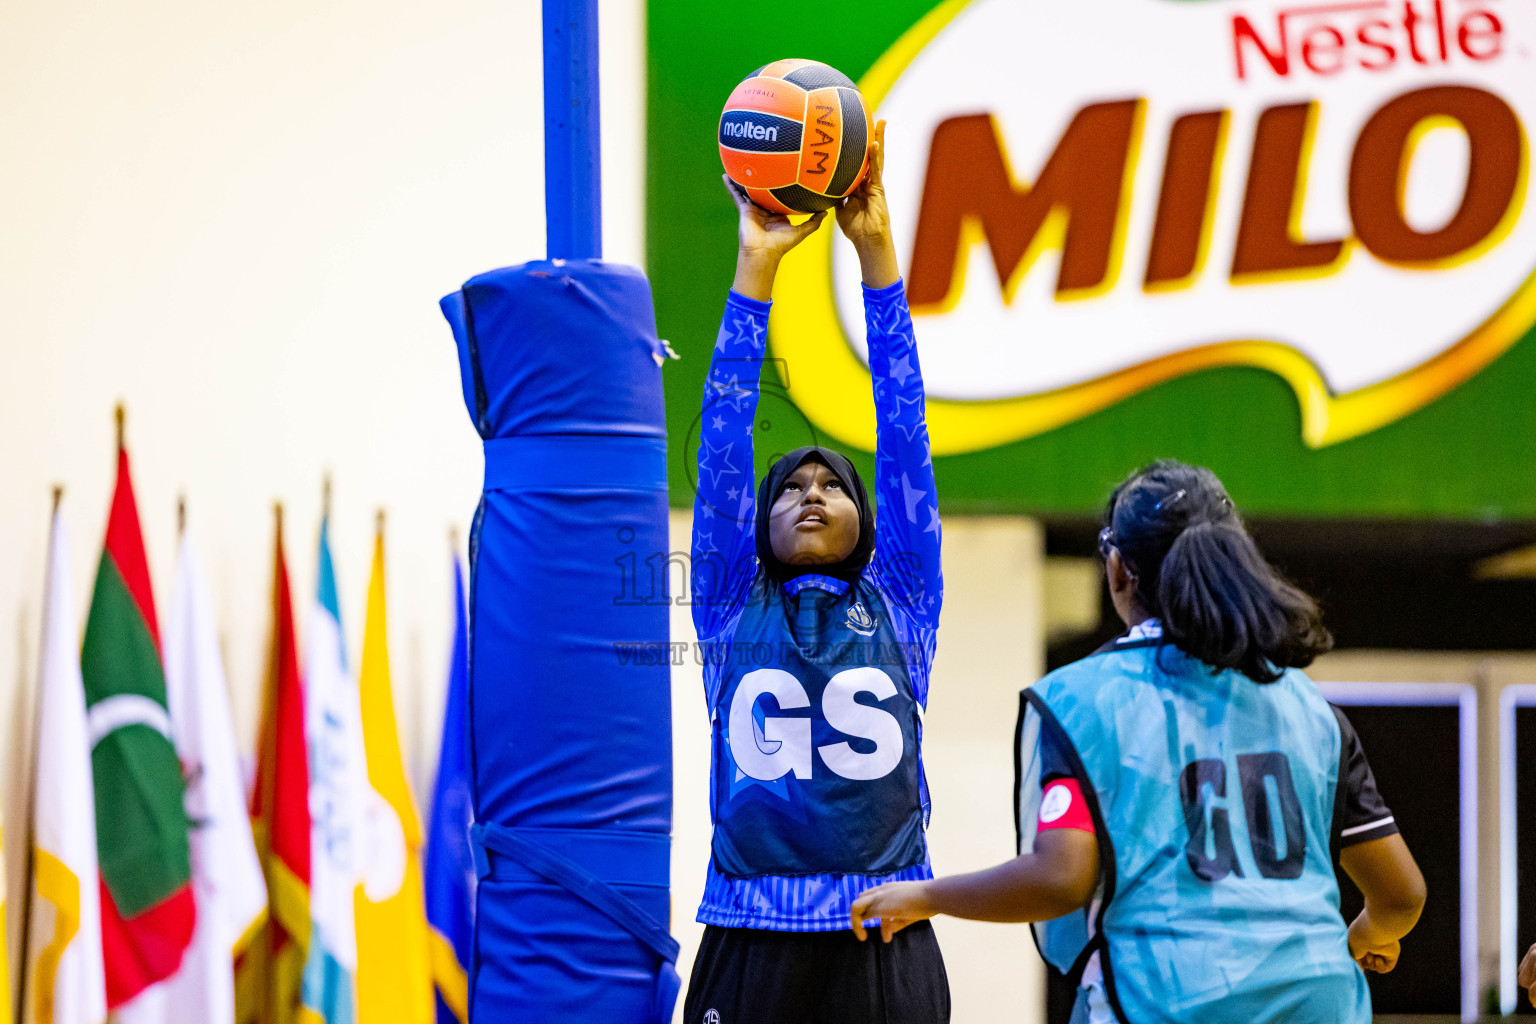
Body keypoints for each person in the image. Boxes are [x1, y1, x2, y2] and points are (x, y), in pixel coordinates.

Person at [851, 460, 1427, 1023]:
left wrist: (928, 896)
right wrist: (1361, 938)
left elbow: (1061, 879)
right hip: (1319, 999)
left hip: (1161, 997)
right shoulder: (1309, 707)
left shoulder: (1080, 698)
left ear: (1118, 570)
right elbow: (1402, 895)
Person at [682, 121, 950, 1023]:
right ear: (753, 525)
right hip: (748, 930)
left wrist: (876, 256)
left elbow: (904, 433)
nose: (807, 493)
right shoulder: (728, 608)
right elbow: (721, 444)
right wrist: (756, 262)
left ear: (869, 521)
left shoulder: (904, 602)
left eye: (830, 484)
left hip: (884, 928)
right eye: (788, 486)